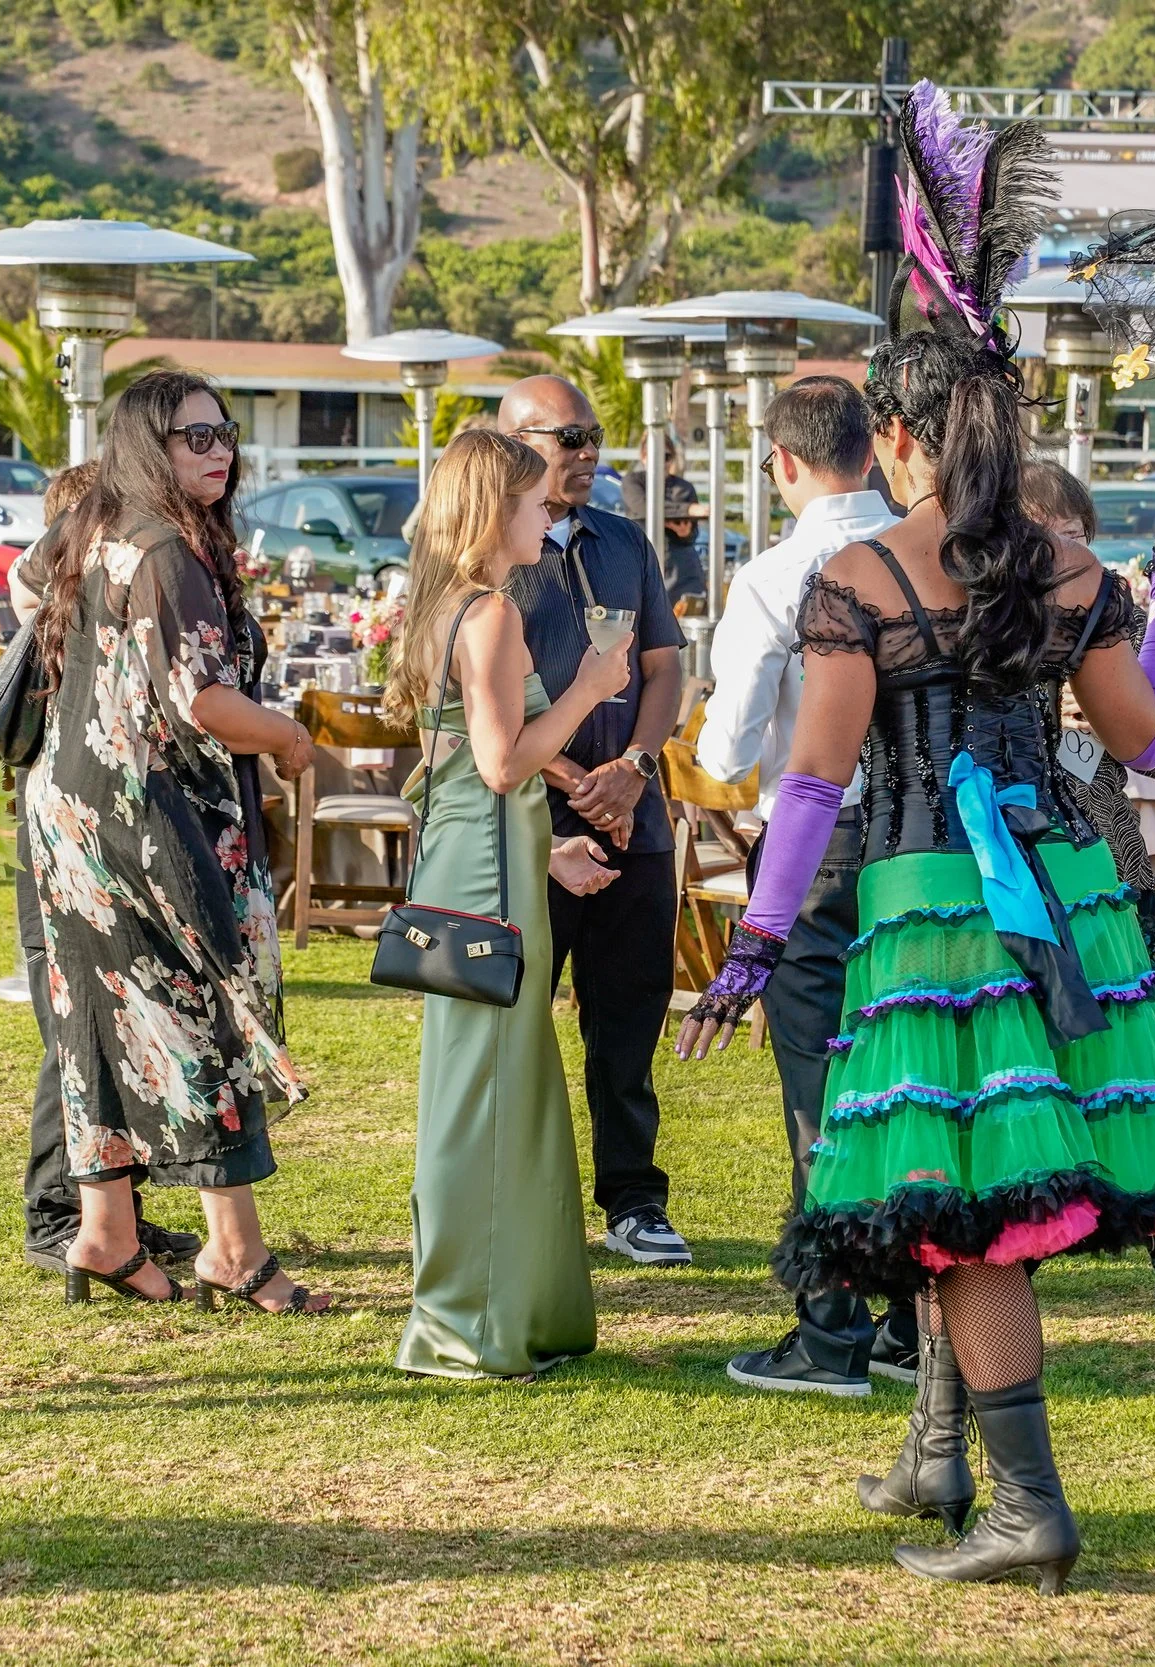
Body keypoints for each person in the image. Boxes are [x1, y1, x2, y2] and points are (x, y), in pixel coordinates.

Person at [676, 85, 1155, 1587]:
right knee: (963, 1182)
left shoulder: (864, 572)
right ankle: (947, 1454)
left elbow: (812, 783)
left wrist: (757, 935)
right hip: (1063, 887)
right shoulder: (1071, 566)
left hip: (934, 893)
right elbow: (1148, 741)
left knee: (966, 1205)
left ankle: (1029, 1502)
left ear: (906, 433)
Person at [24, 370, 328, 1314]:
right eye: (195, 438)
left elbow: (38, 589)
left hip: (69, 806)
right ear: (149, 446)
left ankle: (108, 1231)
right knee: (199, 1011)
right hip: (146, 814)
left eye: (224, 433)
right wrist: (286, 736)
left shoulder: (92, 530)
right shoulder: (166, 553)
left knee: (99, 1022)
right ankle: (234, 1252)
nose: (219, 451)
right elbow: (201, 702)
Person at [385, 429, 634, 1378]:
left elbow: (456, 765)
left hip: (479, 858)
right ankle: (469, 1325)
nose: (549, 514)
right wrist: (587, 688)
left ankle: (503, 1309)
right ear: (497, 511)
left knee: (488, 1088)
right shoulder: (489, 612)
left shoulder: (445, 603)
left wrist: (548, 847)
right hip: (485, 871)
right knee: (488, 1095)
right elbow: (500, 762)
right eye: (535, 503)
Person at [696, 374, 911, 1395]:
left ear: (782, 463)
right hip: (928, 847)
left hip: (819, 843)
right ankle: (916, 1319)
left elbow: (731, 743)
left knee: (820, 1087)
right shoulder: (932, 554)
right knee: (916, 1072)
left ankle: (832, 1328)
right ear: (871, 450)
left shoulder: (776, 576)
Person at [498, 374, 693, 1267]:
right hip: (532, 823)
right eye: (566, 438)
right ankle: (507, 1198)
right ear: (514, 445)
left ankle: (634, 1199)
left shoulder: (625, 540)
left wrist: (635, 768)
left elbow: (663, 668)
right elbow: (485, 705)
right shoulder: (487, 555)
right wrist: (580, 781)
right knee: (513, 1020)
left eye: (592, 435)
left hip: (634, 824)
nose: (585, 454)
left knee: (628, 1021)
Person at [1015, 460, 1155, 1313]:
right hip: (1033, 851)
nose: (1078, 550)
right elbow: (1153, 744)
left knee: (1120, 1041)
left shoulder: (1079, 600)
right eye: (1065, 531)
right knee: (1045, 1045)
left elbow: (1148, 743)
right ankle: (1025, 1234)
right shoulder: (1028, 590)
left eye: (1083, 535)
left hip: (1082, 851)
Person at [6, 463, 204, 1275]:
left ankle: (115, 1214)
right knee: (76, 1029)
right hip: (65, 827)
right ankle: (59, 1210)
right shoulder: (68, 614)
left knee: (108, 1026)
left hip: (91, 824)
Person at [620, 469, 707, 611]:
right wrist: (686, 510)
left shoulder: (684, 487)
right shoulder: (634, 481)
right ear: (644, 455)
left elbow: (693, 531)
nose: (663, 461)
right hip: (644, 560)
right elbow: (642, 507)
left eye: (667, 456)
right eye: (661, 454)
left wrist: (685, 532)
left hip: (681, 565)